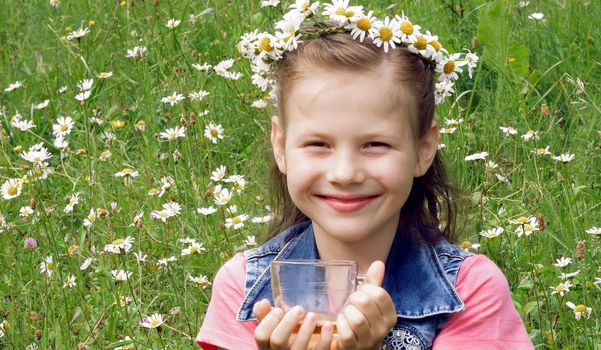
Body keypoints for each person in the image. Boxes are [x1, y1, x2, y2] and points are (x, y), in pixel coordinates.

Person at [197, 1, 534, 349]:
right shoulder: (242, 289)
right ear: (280, 145)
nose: (345, 173)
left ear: (423, 149)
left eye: (375, 144)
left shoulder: (471, 290)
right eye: (318, 144)